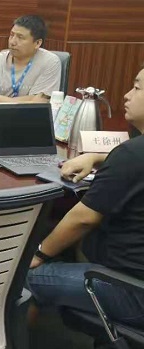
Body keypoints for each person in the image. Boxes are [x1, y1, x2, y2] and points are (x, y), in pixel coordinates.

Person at [27, 66, 144, 329]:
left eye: (137, 88)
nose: (126, 95)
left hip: (130, 291)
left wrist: (39, 255)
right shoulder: (132, 155)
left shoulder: (132, 156)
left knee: (24, 276)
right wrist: (97, 157)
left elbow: (83, 219)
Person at [0, 15, 61, 103]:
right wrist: (30, 100)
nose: (12, 42)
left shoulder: (50, 62)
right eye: (12, 35)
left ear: (37, 43)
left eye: (20, 37)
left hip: (30, 112)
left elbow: (40, 102)